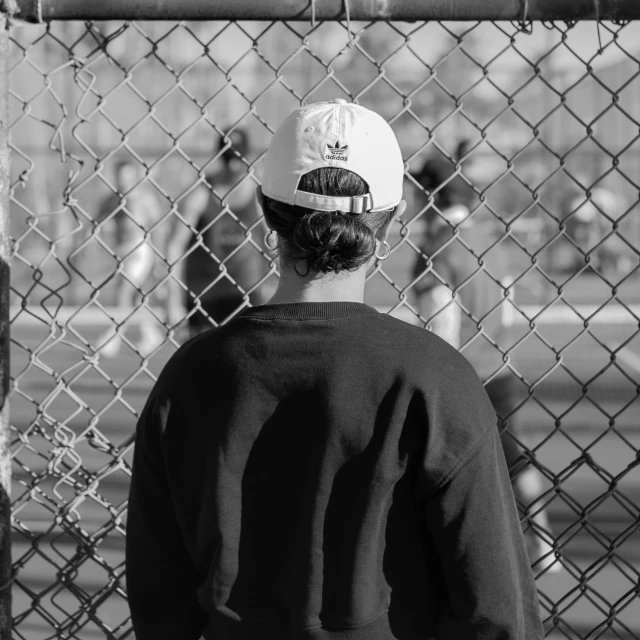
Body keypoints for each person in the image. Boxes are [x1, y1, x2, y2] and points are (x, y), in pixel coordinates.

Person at [126, 99, 544, 639]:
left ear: (266, 212)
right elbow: (497, 610)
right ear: (390, 225)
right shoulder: (434, 376)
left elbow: (160, 602)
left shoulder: (190, 376)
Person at [411, 150, 561, 574]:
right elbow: (509, 311)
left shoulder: (438, 250)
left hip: (461, 374)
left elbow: (441, 325)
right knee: (514, 456)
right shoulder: (491, 241)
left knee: (451, 469)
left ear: (430, 196)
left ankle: (471, 556)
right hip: (501, 365)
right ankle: (545, 542)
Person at [165, 129, 270, 339]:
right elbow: (175, 245)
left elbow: (274, 242)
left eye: (238, 159)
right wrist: (173, 299)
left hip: (246, 291)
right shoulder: (201, 193)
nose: (233, 166)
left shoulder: (259, 192)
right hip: (204, 293)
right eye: (228, 158)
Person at [95, 160, 165, 357]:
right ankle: (151, 334)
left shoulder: (144, 197)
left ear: (134, 176)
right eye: (120, 176)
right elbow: (97, 221)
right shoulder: (111, 199)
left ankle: (113, 338)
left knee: (124, 292)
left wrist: (160, 256)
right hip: (119, 251)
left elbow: (158, 226)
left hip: (139, 249)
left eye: (127, 175)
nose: (124, 180)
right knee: (135, 297)